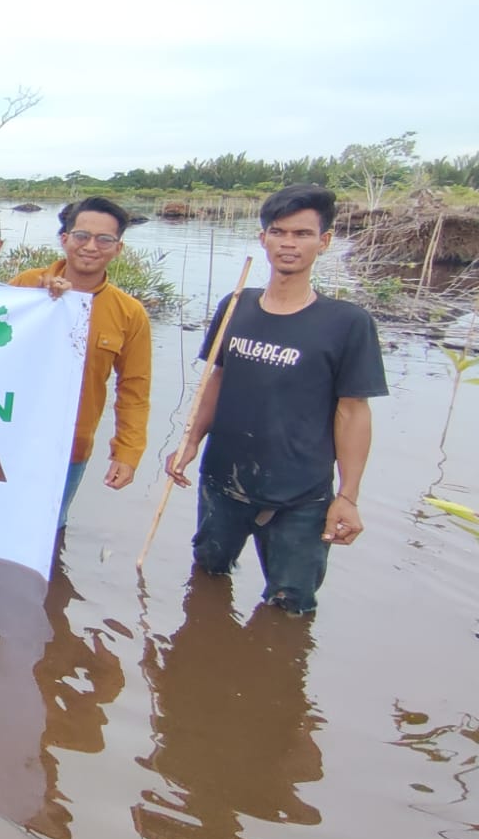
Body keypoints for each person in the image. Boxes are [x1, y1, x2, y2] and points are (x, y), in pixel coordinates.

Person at [165, 185, 387, 615]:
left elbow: (353, 412)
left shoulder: (347, 324)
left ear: (324, 242)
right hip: (223, 480)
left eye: (303, 234)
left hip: (300, 495)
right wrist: (190, 443)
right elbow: (216, 380)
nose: (289, 243)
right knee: (207, 576)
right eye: (279, 232)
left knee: (291, 605)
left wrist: (349, 495)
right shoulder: (236, 305)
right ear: (262, 237)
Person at [11, 196, 150, 529]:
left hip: (71, 446)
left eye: (104, 240)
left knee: (49, 530)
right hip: (6, 438)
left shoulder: (130, 313)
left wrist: (126, 453)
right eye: (81, 236)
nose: (91, 247)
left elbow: (134, 389)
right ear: (64, 239)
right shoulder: (25, 286)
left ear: (118, 248)